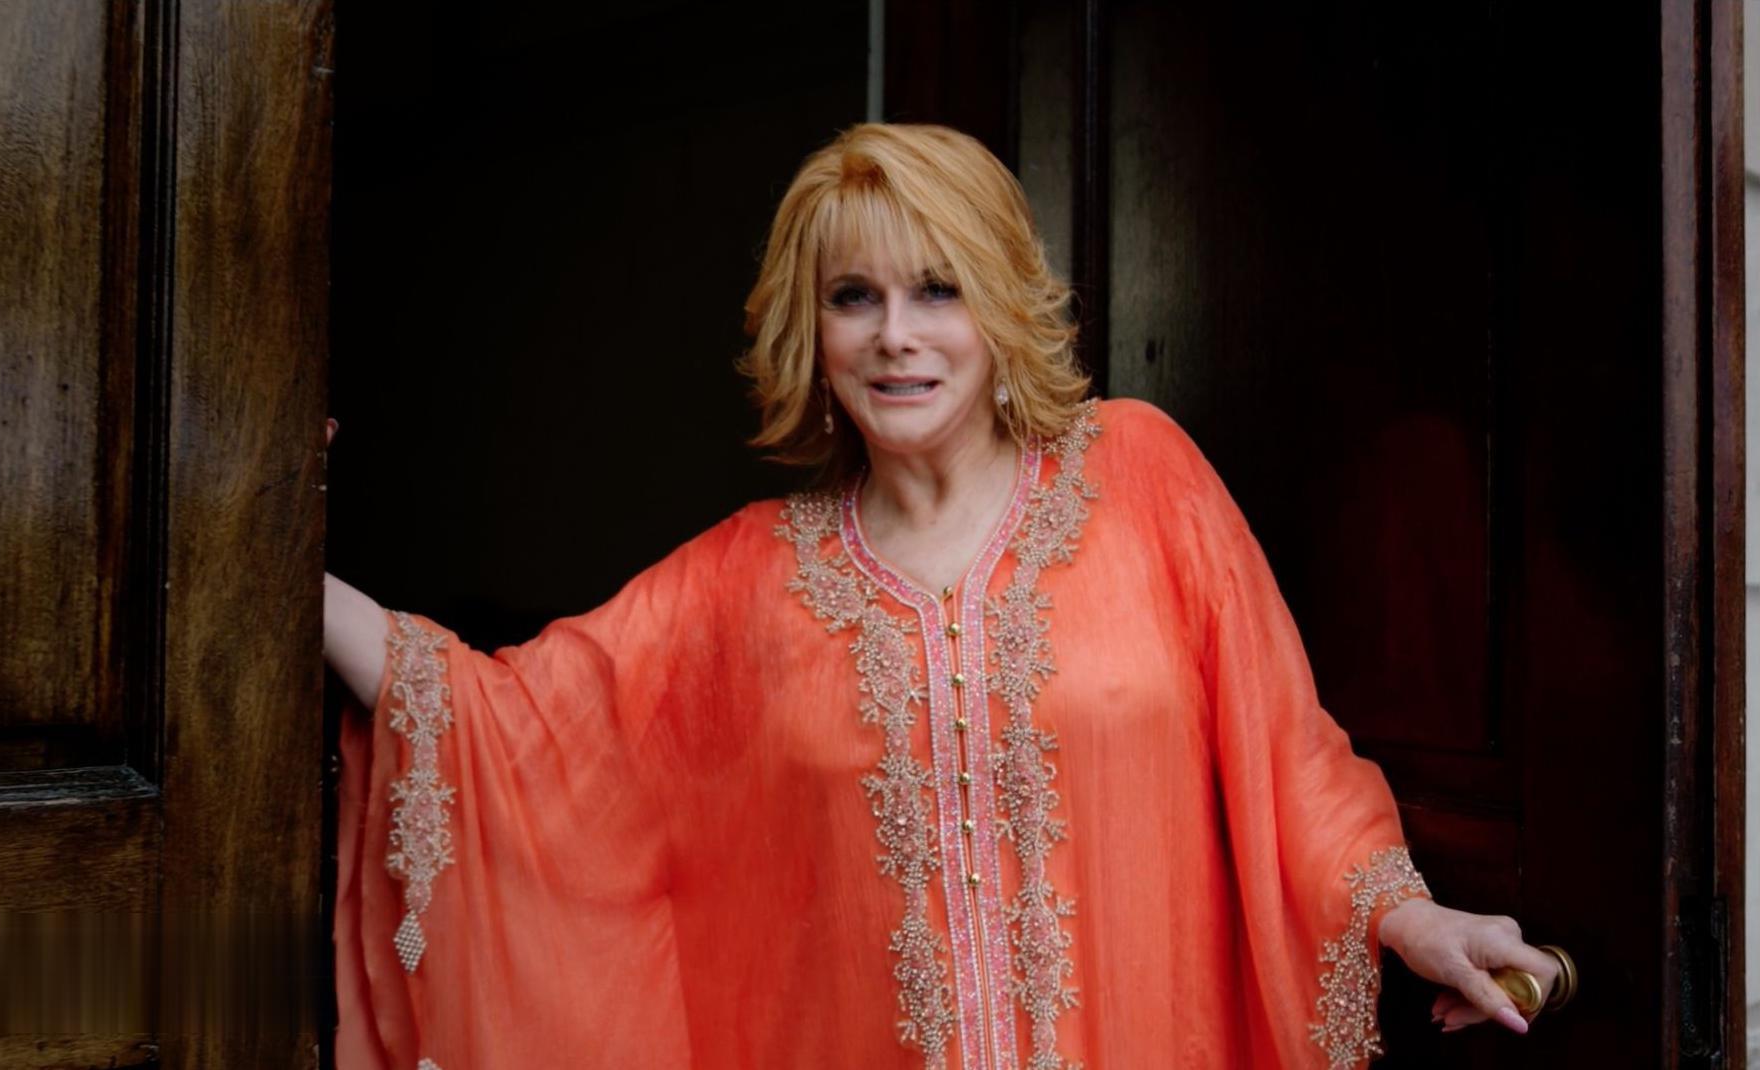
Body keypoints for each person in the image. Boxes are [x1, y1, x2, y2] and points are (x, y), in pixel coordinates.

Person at [324, 123, 1563, 1069]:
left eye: (938, 288)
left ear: (999, 302)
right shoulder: (745, 579)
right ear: (812, 328)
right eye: (853, 297)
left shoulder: (1141, 476)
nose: (895, 335)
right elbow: (504, 723)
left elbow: (1288, 756)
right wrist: (273, 546)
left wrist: (1411, 918)